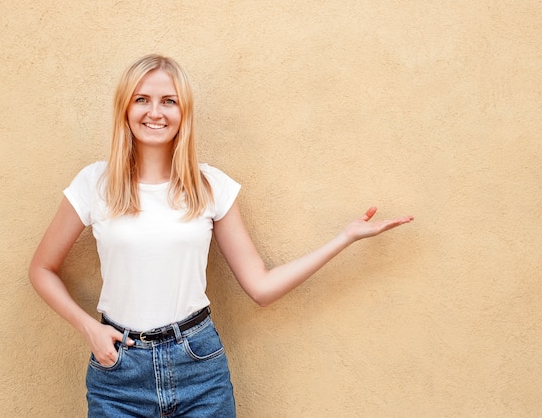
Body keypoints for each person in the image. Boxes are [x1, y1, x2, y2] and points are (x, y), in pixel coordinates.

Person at [28, 54, 413, 417]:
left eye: (169, 101)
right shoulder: (94, 183)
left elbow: (260, 287)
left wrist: (343, 238)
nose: (155, 112)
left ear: (184, 112)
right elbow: (42, 269)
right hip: (119, 373)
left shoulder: (210, 186)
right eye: (141, 99)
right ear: (125, 109)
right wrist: (90, 329)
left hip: (198, 367)